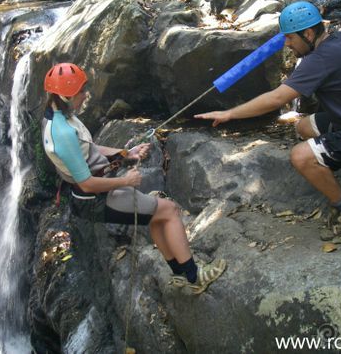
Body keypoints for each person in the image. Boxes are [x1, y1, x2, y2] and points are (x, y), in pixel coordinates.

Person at [195, 1, 341, 240]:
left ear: (309, 34)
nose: (287, 44)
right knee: (303, 126)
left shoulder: (320, 60)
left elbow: (276, 99)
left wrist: (229, 114)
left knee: (300, 156)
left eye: (290, 38)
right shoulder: (340, 40)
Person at [42, 63, 226, 294]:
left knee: (156, 216)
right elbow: (86, 183)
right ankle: (194, 277)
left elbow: (88, 148)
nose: (86, 94)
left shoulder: (59, 116)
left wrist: (126, 154)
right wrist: (125, 181)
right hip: (93, 199)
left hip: (96, 193)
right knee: (169, 211)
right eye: (81, 91)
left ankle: (180, 274)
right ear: (66, 96)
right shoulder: (62, 132)